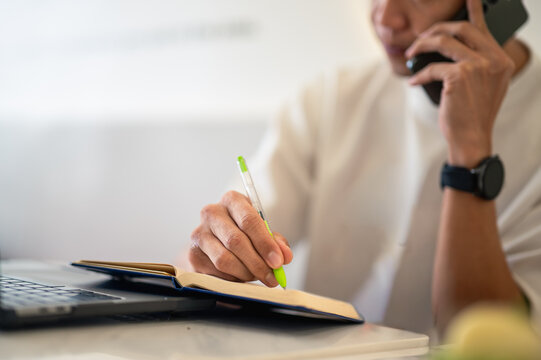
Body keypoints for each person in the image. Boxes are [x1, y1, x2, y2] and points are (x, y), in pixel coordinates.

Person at [183, 0, 541, 335]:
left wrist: (470, 152)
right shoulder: (333, 97)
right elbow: (236, 245)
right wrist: (222, 252)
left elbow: (483, 336)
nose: (385, 19)